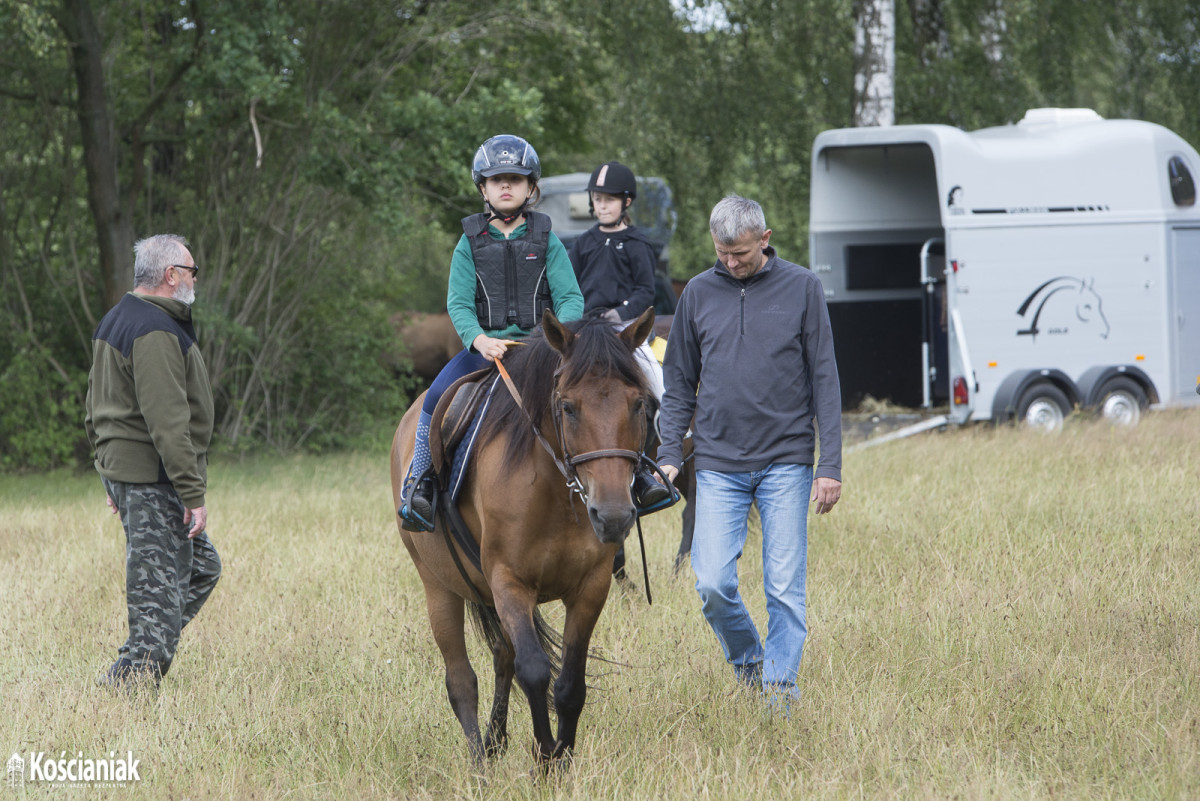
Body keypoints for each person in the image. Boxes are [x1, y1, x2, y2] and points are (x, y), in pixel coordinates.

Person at [656, 195, 843, 705]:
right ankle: (751, 663)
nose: (731, 263)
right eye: (722, 253)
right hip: (717, 463)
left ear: (764, 239)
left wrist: (830, 465)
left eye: (739, 253)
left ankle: (779, 694)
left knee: (784, 588)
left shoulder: (803, 288)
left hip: (787, 460)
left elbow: (825, 379)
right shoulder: (696, 293)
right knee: (712, 584)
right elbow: (677, 384)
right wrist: (670, 452)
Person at [398, 134, 586, 531]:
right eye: (496, 179)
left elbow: (570, 298)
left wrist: (553, 338)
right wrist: (478, 339)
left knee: (598, 397)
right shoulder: (468, 243)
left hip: (539, 352)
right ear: (482, 187)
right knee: (435, 399)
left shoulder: (548, 240)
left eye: (515, 179)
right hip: (485, 350)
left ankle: (633, 478)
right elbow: (459, 305)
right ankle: (421, 484)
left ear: (531, 187)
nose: (506, 186)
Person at [84, 234, 222, 689]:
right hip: (152, 481)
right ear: (171, 276)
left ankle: (141, 651)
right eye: (192, 271)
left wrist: (106, 473)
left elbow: (93, 408)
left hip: (133, 476)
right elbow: (168, 422)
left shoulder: (119, 318)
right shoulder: (155, 330)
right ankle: (127, 685)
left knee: (203, 567)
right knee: (155, 618)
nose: (194, 280)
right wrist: (191, 492)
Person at [568, 161, 672, 514]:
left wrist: (621, 313)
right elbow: (571, 288)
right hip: (588, 332)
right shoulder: (583, 243)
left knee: (654, 378)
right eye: (597, 199)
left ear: (626, 202)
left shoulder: (638, 243)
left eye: (610, 200)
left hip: (625, 332)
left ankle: (661, 445)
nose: (602, 206)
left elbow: (646, 290)